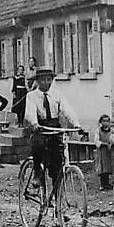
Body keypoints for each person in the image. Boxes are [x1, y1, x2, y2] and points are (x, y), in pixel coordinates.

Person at [24, 67, 82, 196]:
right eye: (43, 80)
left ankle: (58, 205)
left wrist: (77, 124)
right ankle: (37, 172)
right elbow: (30, 112)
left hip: (54, 127)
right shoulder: (32, 96)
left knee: (57, 165)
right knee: (37, 145)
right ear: (37, 81)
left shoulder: (57, 94)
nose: (46, 82)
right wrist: (34, 123)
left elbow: (67, 110)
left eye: (49, 79)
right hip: (40, 127)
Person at [95, 114, 114, 191]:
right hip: (102, 151)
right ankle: (103, 184)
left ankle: (109, 183)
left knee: (110, 166)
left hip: (109, 151)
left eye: (107, 121)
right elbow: (96, 140)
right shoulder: (98, 130)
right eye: (104, 121)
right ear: (101, 122)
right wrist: (103, 144)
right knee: (102, 167)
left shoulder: (111, 130)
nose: (105, 123)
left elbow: (113, 137)